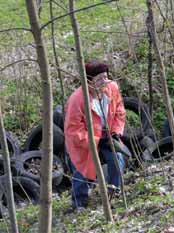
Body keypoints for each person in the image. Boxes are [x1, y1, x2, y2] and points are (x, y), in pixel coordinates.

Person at [64, 61, 126, 209]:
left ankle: (114, 192)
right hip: (83, 141)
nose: (104, 81)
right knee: (82, 168)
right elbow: (73, 131)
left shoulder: (112, 88)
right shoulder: (77, 100)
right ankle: (79, 202)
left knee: (117, 158)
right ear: (89, 82)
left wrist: (116, 132)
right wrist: (96, 141)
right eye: (99, 79)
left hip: (109, 135)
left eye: (106, 77)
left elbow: (120, 112)